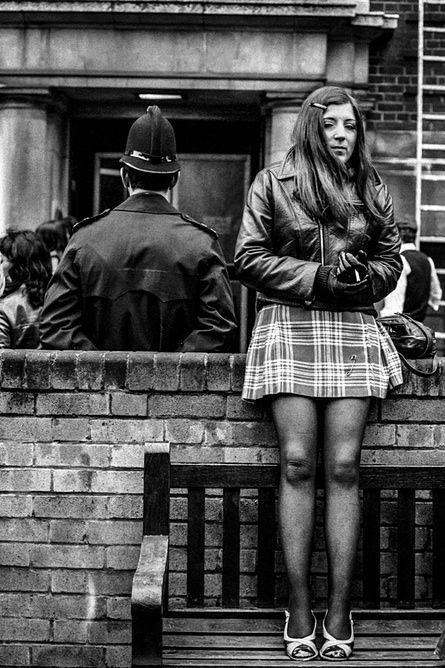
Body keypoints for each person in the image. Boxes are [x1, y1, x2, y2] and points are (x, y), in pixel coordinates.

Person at [234, 86, 403, 661]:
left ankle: (339, 610)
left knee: (344, 465)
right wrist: (317, 277)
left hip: (352, 326)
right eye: (331, 125)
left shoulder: (371, 186)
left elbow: (390, 258)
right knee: (299, 462)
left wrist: (366, 281)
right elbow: (248, 259)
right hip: (292, 320)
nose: (341, 135)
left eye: (350, 126)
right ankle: (300, 606)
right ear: (311, 127)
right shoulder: (272, 182)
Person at [39, 106, 237, 351]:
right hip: (177, 388)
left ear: (124, 176)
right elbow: (219, 330)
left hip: (96, 388)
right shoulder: (201, 243)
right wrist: (169, 372)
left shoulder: (84, 238)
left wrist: (102, 368)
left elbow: (56, 327)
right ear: (174, 179)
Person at [379, 218, 442, 322]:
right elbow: (436, 295)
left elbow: (393, 308)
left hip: (400, 331)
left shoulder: (400, 261)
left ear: (397, 236)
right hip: (419, 329)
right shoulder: (428, 261)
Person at [0, 230, 52, 348]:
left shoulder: (5, 307)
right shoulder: (58, 295)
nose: (1, 266)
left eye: (3, 260)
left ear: (17, 265)